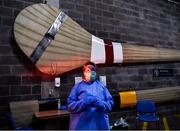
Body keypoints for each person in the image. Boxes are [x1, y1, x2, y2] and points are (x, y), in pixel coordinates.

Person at [67, 62, 114, 130]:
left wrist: (101, 104)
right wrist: (84, 102)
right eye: (88, 70)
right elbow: (70, 106)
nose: (91, 72)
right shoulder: (77, 87)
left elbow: (110, 103)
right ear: (84, 72)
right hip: (82, 126)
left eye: (93, 70)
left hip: (99, 126)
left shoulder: (102, 87)